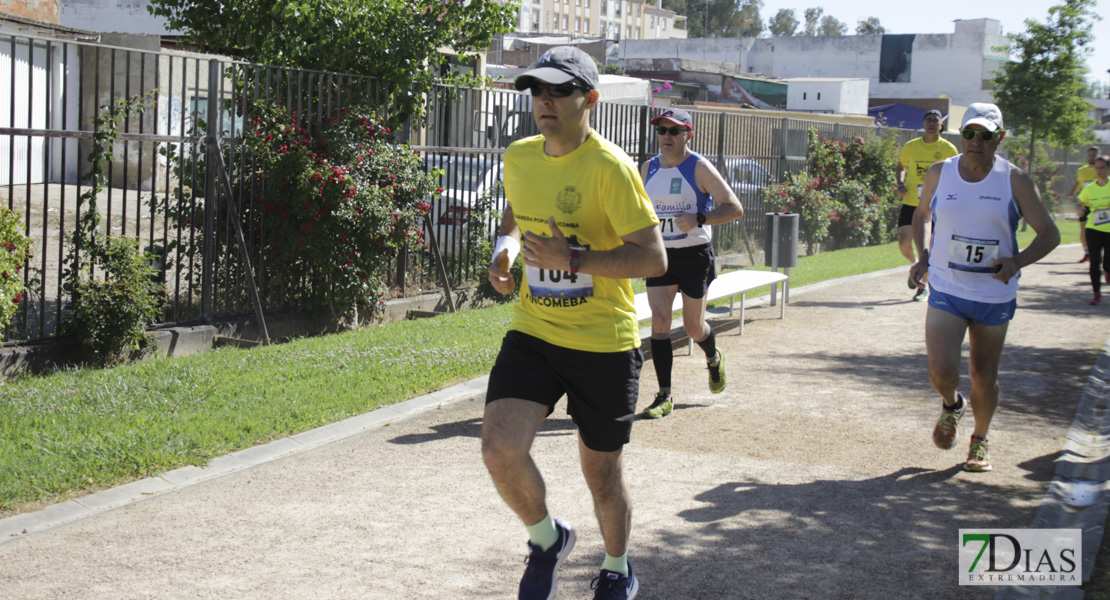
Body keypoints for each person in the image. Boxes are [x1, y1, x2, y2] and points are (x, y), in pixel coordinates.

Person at [482, 46, 666, 600]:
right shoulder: (519, 157)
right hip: (535, 330)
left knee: (600, 475)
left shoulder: (611, 168)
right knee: (498, 450)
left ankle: (617, 567)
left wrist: (574, 260)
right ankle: (547, 540)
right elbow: (516, 210)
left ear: (590, 99)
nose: (545, 101)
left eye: (559, 91)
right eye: (537, 90)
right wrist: (504, 250)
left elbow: (654, 259)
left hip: (602, 344)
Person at [909, 103, 1060, 473]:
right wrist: (923, 256)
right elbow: (921, 214)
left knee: (983, 373)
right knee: (941, 370)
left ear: (1000, 138)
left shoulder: (1016, 180)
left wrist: (1017, 262)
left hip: (994, 292)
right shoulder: (939, 172)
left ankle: (979, 438)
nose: (976, 142)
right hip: (946, 284)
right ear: (961, 135)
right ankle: (951, 404)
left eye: (986, 135)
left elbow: (1050, 234)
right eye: (970, 134)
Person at [638, 108, 743, 419]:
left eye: (674, 131)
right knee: (659, 321)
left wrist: (699, 217)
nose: (666, 136)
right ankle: (664, 395)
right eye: (662, 130)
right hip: (661, 256)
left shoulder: (699, 167)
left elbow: (734, 208)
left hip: (694, 254)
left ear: (688, 134)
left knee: (694, 327)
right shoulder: (647, 169)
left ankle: (712, 356)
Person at [897, 109, 959, 301]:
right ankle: (915, 265)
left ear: (941, 125)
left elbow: (956, 174)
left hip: (935, 206)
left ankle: (922, 286)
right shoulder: (911, 146)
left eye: (935, 120)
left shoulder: (949, 149)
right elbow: (901, 166)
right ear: (923, 125)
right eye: (928, 120)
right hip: (911, 202)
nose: (931, 123)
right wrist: (900, 183)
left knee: (928, 247)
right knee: (904, 243)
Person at [1078, 155, 1110, 305]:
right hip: (1093, 228)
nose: (1098, 170)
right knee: (1094, 261)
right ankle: (1096, 293)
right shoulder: (1090, 188)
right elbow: (1081, 203)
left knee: (1107, 263)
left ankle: (1108, 270)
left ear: (1108, 169)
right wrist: (1081, 210)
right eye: (1096, 168)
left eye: (1102, 167)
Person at [1068, 146, 1100, 263]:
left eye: (1094, 155)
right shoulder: (1082, 170)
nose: (1091, 157)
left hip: (1100, 205)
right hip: (1085, 204)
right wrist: (1071, 193)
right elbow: (1079, 183)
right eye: (1089, 155)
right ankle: (1087, 253)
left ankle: (1099, 252)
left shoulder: (1102, 169)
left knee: (1100, 231)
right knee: (1083, 229)